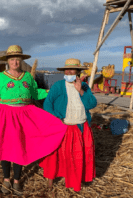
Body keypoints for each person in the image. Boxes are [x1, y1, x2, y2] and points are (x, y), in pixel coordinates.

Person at [0, 45, 68, 195]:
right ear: (8, 61)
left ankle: (17, 181)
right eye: (12, 59)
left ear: (21, 61)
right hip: (5, 114)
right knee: (5, 147)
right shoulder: (1, 77)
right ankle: (6, 179)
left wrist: (50, 91)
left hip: (25, 113)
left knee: (20, 147)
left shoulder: (27, 76)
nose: (15, 62)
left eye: (18, 59)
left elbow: (34, 93)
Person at [39, 58, 97, 192]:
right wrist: (56, 118)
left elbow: (92, 104)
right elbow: (48, 104)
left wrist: (80, 91)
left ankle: (76, 181)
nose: (69, 72)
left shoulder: (84, 86)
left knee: (77, 156)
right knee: (55, 156)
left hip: (80, 126)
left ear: (77, 72)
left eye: (72, 70)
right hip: (62, 126)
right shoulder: (58, 86)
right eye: (67, 69)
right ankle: (50, 184)